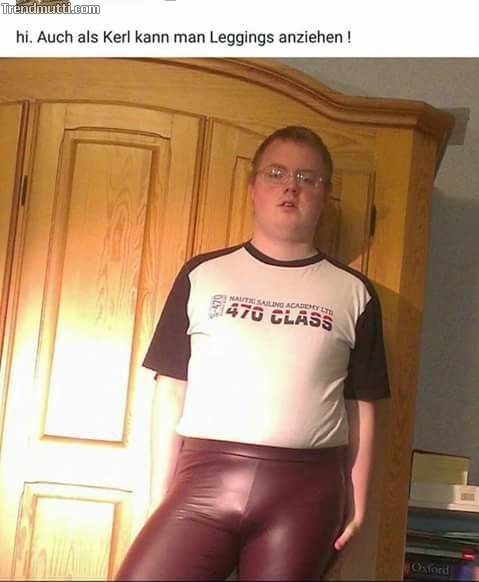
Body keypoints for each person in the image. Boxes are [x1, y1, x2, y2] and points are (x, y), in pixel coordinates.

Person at [115, 126, 390, 581]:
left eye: (307, 178)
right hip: (203, 479)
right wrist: (159, 491)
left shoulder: (353, 292)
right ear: (253, 187)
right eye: (276, 173)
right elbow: (171, 389)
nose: (291, 187)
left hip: (307, 492)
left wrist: (358, 501)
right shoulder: (202, 274)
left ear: (325, 195)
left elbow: (360, 405)